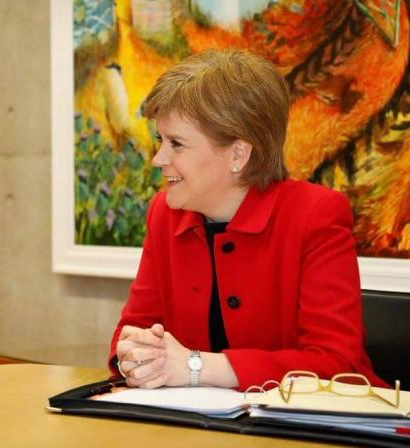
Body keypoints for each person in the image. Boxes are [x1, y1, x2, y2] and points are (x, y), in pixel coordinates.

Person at [109, 49, 387, 391]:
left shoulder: (316, 214)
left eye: (176, 144)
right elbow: (136, 327)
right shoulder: (164, 214)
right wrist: (135, 356)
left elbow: (334, 364)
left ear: (238, 153)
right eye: (160, 140)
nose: (158, 158)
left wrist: (199, 366)